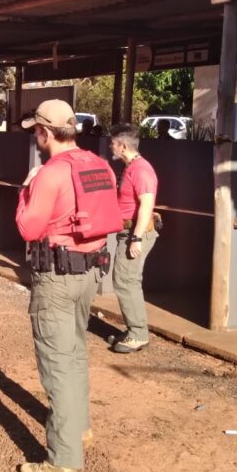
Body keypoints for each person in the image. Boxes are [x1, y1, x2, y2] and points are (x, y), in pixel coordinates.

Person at [15, 99, 121, 472]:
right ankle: (79, 428)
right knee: (75, 354)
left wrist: (25, 192)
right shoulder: (99, 164)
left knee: (57, 365)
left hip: (57, 279)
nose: (35, 139)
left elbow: (28, 228)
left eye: (35, 132)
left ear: (44, 132)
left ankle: (62, 465)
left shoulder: (49, 173)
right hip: (91, 272)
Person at [108, 123, 158, 354]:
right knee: (125, 280)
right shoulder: (131, 167)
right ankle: (134, 330)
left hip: (135, 233)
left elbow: (146, 205)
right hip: (127, 231)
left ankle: (138, 334)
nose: (111, 146)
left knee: (126, 281)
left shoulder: (141, 170)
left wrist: (136, 238)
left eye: (114, 143)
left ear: (124, 146)